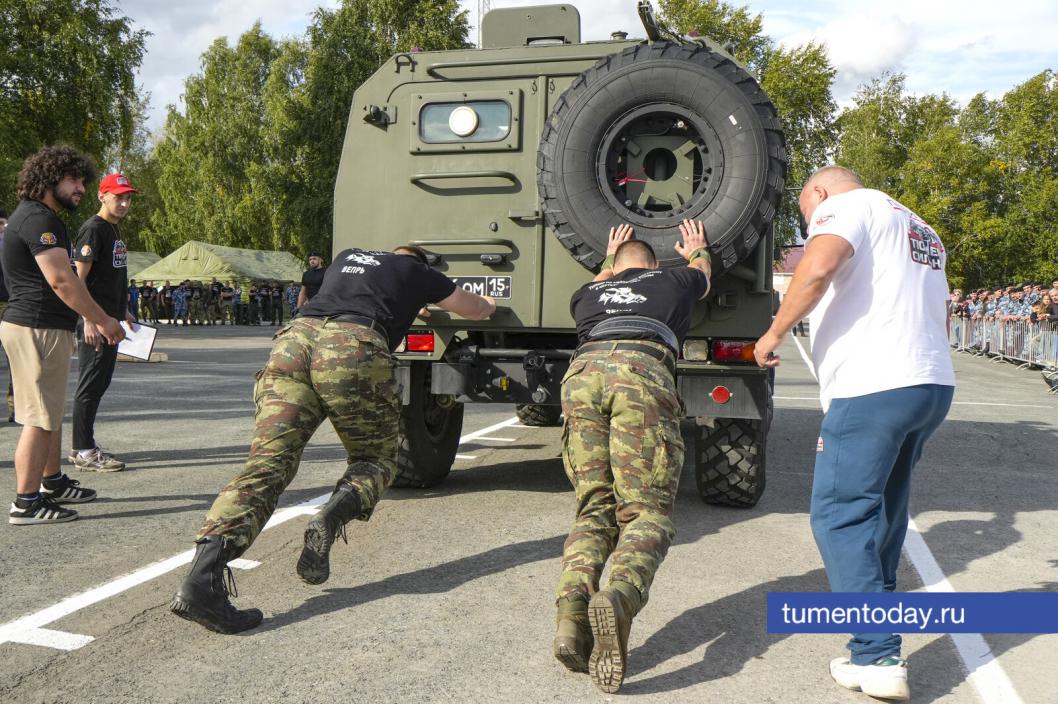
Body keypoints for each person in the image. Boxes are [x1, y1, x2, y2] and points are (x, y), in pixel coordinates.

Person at [169, 245, 495, 633]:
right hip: (352, 347)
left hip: (293, 342)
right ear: (419, 262)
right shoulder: (419, 273)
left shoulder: (347, 258)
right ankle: (330, 516)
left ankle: (201, 580)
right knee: (375, 460)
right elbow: (473, 309)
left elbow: (363, 292)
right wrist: (487, 303)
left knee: (267, 465)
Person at [754, 166, 954, 701]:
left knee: (839, 516)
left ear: (819, 193)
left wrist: (774, 331)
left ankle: (877, 653)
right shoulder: (919, 226)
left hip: (874, 384)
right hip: (929, 381)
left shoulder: (845, 207)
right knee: (885, 511)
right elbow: (942, 309)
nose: (811, 222)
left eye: (806, 214)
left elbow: (817, 269)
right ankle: (875, 643)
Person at [553, 220, 710, 694]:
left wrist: (607, 258)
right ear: (654, 264)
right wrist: (697, 251)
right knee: (646, 512)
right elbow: (703, 277)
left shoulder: (587, 295)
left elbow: (602, 279)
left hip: (582, 374)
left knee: (594, 506)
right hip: (640, 372)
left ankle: (570, 616)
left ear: (616, 266)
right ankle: (619, 596)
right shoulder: (673, 279)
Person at [2, 146, 125, 525]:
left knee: (49, 412)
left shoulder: (40, 217)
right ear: (50, 178)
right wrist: (102, 320)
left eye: (84, 181)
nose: (81, 188)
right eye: (74, 180)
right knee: (38, 418)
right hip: (36, 327)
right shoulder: (40, 219)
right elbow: (61, 280)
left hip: (42, 327)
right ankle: (25, 502)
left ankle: (51, 481)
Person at [69, 172, 139, 473]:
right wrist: (87, 318)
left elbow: (111, 277)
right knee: (90, 385)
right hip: (95, 322)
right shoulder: (93, 229)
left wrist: (123, 310)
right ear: (102, 196)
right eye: (117, 197)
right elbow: (77, 280)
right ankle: (84, 450)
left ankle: (84, 446)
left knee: (100, 383)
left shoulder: (114, 230)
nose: (123, 203)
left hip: (110, 318)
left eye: (127, 198)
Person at [0, 208, 14, 422]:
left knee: (17, 360)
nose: (2, 229)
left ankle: (17, 408)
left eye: (4, 224)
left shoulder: (13, 246)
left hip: (13, 305)